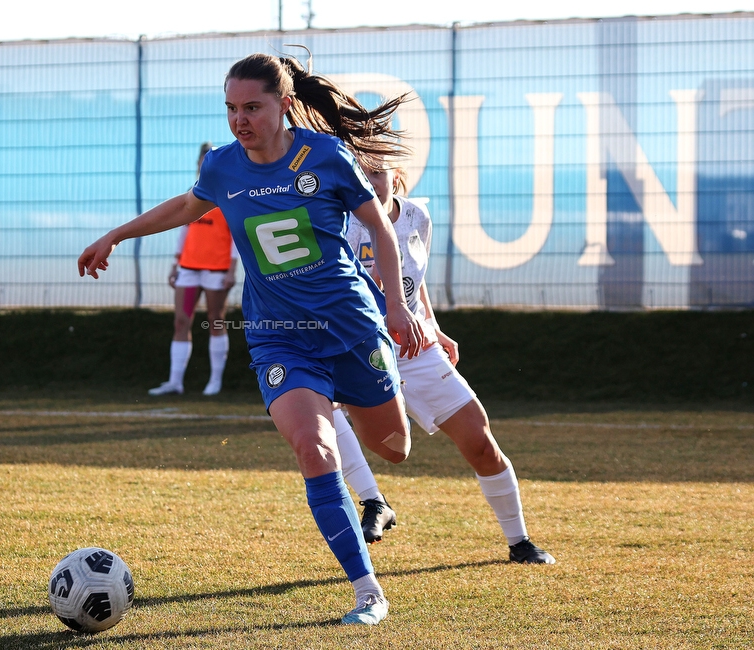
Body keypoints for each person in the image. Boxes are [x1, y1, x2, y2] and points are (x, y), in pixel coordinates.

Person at [79, 51, 429, 625]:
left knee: (395, 448)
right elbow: (187, 206)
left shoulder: (326, 156)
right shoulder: (222, 167)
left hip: (351, 326)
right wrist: (116, 235)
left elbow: (381, 230)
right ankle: (369, 592)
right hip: (279, 337)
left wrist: (397, 306)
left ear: (285, 105)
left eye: (252, 107)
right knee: (314, 449)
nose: (240, 119)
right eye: (231, 108)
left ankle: (345, 399)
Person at [338, 157, 555, 564]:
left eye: (377, 173)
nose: (369, 182)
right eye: (360, 174)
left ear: (396, 177)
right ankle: (374, 500)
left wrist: (432, 325)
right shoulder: (339, 222)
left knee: (480, 439)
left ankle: (520, 542)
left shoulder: (417, 216)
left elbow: (415, 282)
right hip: (360, 348)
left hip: (416, 348)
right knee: (324, 410)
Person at [150, 142, 239, 397]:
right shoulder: (193, 192)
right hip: (188, 267)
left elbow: (236, 236)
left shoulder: (230, 192)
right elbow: (184, 229)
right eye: (203, 158)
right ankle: (174, 382)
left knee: (216, 321)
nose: (205, 162)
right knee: (181, 321)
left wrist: (232, 270)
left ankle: (215, 382)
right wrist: (175, 264)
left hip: (217, 268)